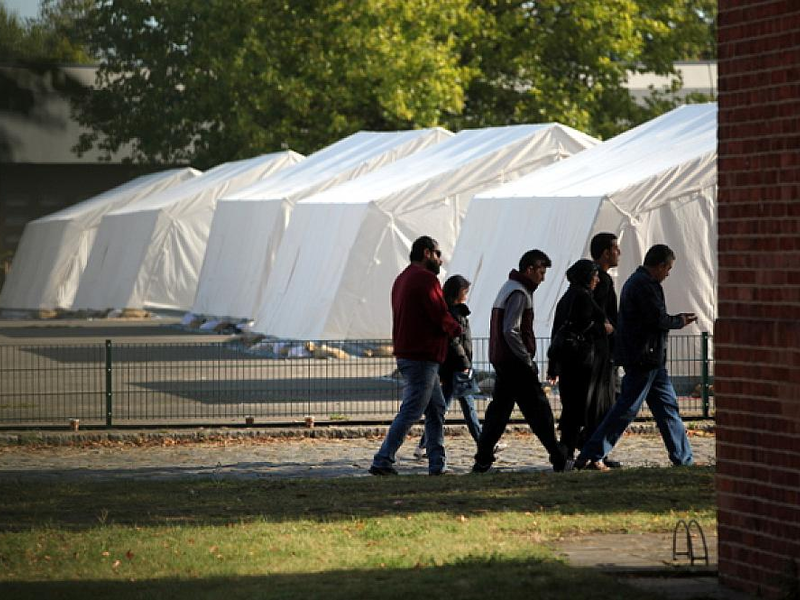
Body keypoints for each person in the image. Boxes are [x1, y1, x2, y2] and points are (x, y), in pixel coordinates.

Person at [574, 244, 697, 471]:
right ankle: (592, 453)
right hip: (644, 357)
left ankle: (684, 457)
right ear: (659, 266)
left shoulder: (637, 282)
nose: (668, 273)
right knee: (627, 409)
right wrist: (679, 321)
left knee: (667, 408)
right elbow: (657, 319)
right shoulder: (645, 285)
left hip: (649, 359)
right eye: (667, 268)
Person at [369, 235, 461, 476]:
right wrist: (456, 327)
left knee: (436, 408)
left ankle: (437, 464)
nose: (441, 259)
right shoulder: (426, 279)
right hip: (422, 355)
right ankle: (383, 459)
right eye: (438, 253)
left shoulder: (402, 278)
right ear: (427, 253)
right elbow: (439, 315)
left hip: (410, 353)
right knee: (412, 410)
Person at [472, 250, 571, 473]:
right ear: (530, 269)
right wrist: (526, 359)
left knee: (499, 412)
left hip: (503, 360)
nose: (543, 277)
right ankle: (558, 457)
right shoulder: (519, 292)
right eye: (541, 272)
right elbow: (511, 330)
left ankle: (483, 459)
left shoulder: (509, 287)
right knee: (539, 410)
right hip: (515, 362)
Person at [547, 259, 614, 460]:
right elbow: (582, 324)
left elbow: (557, 332)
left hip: (570, 362)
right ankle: (581, 450)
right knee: (584, 409)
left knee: (572, 408)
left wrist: (554, 365)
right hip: (583, 363)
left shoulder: (567, 297)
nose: (597, 280)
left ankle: (570, 449)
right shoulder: (582, 297)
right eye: (594, 276)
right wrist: (603, 328)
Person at [413, 275, 486, 459]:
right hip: (457, 368)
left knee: (457, 407)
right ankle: (484, 444)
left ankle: (483, 443)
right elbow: (455, 341)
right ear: (457, 293)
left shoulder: (454, 312)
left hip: (455, 367)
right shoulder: (454, 314)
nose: (467, 296)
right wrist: (465, 362)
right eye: (465, 292)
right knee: (449, 408)